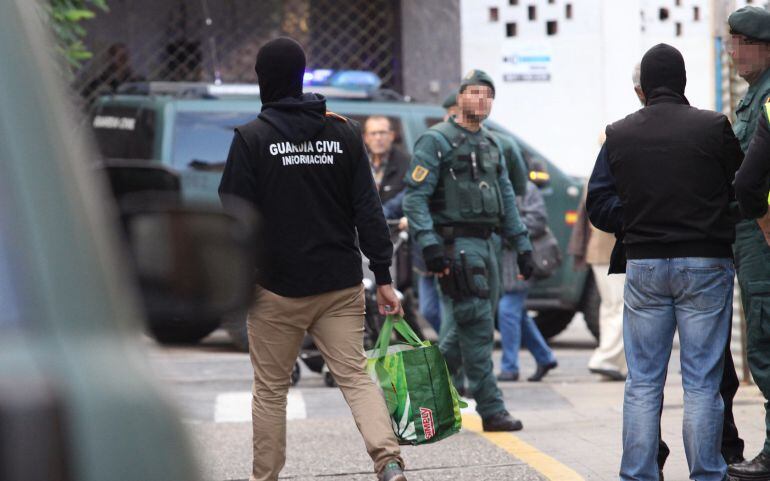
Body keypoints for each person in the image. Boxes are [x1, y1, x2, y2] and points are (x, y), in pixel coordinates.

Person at [218, 37, 407, 481]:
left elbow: (234, 216)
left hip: (275, 289)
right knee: (356, 378)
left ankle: (265, 477)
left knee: (270, 391)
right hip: (339, 284)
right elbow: (369, 209)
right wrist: (382, 276)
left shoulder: (251, 139)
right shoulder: (342, 133)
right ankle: (389, 462)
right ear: (301, 76)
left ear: (264, 79)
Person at [587, 44, 743, 481]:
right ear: (683, 82)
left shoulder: (618, 133)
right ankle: (707, 473)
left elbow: (598, 203)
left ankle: (638, 474)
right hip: (706, 264)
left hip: (645, 265)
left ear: (643, 88)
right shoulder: (714, 127)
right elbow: (741, 188)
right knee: (700, 381)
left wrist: (635, 220)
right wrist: (716, 220)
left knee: (642, 381)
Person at [403, 69, 535, 432]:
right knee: (476, 327)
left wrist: (522, 246)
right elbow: (415, 198)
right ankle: (491, 409)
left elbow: (507, 198)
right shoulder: (437, 140)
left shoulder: (493, 144)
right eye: (474, 92)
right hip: (458, 247)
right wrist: (429, 245)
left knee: (463, 328)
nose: (481, 99)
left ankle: (421, 397)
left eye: (488, 94)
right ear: (459, 97)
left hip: (489, 245)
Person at [725, 7, 770, 479]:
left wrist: (759, 217)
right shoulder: (753, 96)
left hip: (762, 237)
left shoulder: (767, 97)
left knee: (766, 343)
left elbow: (751, 178)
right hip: (752, 238)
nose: (733, 52)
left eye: (740, 42)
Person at [498, 181, 558, 383]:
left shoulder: (526, 188)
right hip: (499, 264)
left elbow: (538, 220)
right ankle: (545, 357)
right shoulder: (490, 184)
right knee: (517, 315)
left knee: (507, 311)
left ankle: (510, 367)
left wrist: (507, 227)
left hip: (521, 262)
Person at [363, 116, 410, 204]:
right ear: (366, 138)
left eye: (382, 132)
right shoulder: (357, 162)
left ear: (392, 136)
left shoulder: (407, 163)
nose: (378, 138)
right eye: (373, 133)